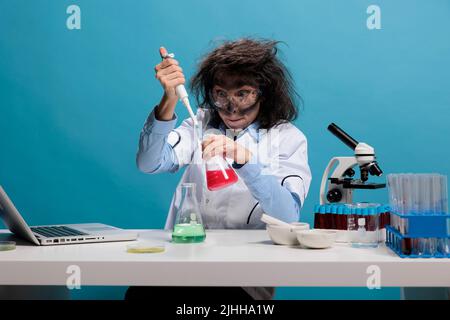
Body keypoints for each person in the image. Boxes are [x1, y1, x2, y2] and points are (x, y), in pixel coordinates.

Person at [127, 38, 311, 301]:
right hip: (183, 265)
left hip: (242, 282)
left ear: (264, 93)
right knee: (140, 295)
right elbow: (149, 163)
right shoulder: (199, 123)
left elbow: (287, 216)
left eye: (243, 93)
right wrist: (168, 99)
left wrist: (246, 162)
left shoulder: (287, 138)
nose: (231, 107)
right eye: (221, 94)